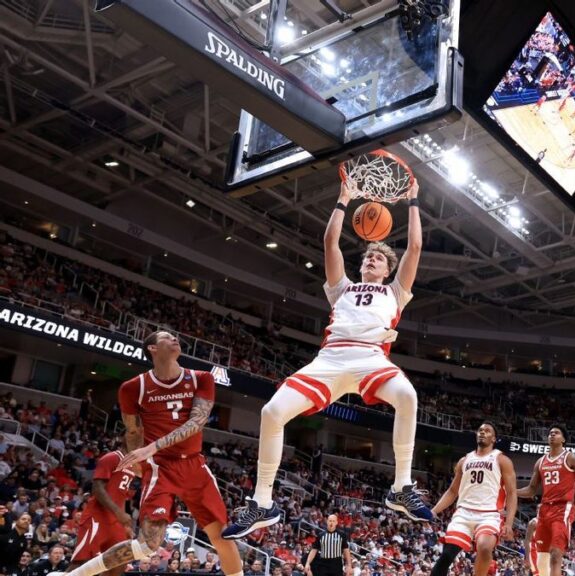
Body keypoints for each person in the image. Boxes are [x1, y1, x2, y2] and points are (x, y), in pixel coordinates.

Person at [224, 174, 427, 538]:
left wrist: (413, 201)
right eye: (368, 256)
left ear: (388, 270)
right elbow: (330, 241)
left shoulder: (396, 292)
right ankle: (262, 502)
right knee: (271, 412)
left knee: (408, 396)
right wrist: (343, 199)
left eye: (379, 258)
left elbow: (414, 249)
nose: (372, 260)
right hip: (330, 360)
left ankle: (402, 487)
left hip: (371, 359)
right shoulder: (342, 288)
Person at [56, 331, 244, 576]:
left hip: (194, 465)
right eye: (167, 337)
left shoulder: (202, 378)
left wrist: (152, 447)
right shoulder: (133, 387)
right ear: (152, 348)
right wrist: (138, 460)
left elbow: (197, 423)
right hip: (160, 468)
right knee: (147, 545)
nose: (175, 339)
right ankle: (74, 575)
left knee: (222, 536)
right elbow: (133, 431)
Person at [517, 426, 575, 576]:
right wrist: (511, 492)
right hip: (544, 510)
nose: (552, 435)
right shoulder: (540, 462)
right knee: (542, 559)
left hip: (562, 509)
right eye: (550, 433)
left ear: (563, 439)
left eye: (556, 433)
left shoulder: (571, 458)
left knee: (556, 554)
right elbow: (531, 490)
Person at [429, 422, 517, 576]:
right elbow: (452, 491)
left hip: (489, 514)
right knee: (446, 556)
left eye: (487, 431)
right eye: (480, 430)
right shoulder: (464, 460)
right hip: (463, 513)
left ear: (494, 438)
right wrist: (434, 511)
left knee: (484, 547)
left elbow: (511, 493)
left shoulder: (502, 460)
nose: (482, 432)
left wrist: (509, 523)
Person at [68, 443, 137, 576]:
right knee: (81, 564)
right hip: (97, 517)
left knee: (118, 562)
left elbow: (120, 495)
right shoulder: (111, 457)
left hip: (115, 521)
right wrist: (118, 512)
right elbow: (97, 488)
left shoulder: (133, 465)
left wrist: (124, 523)